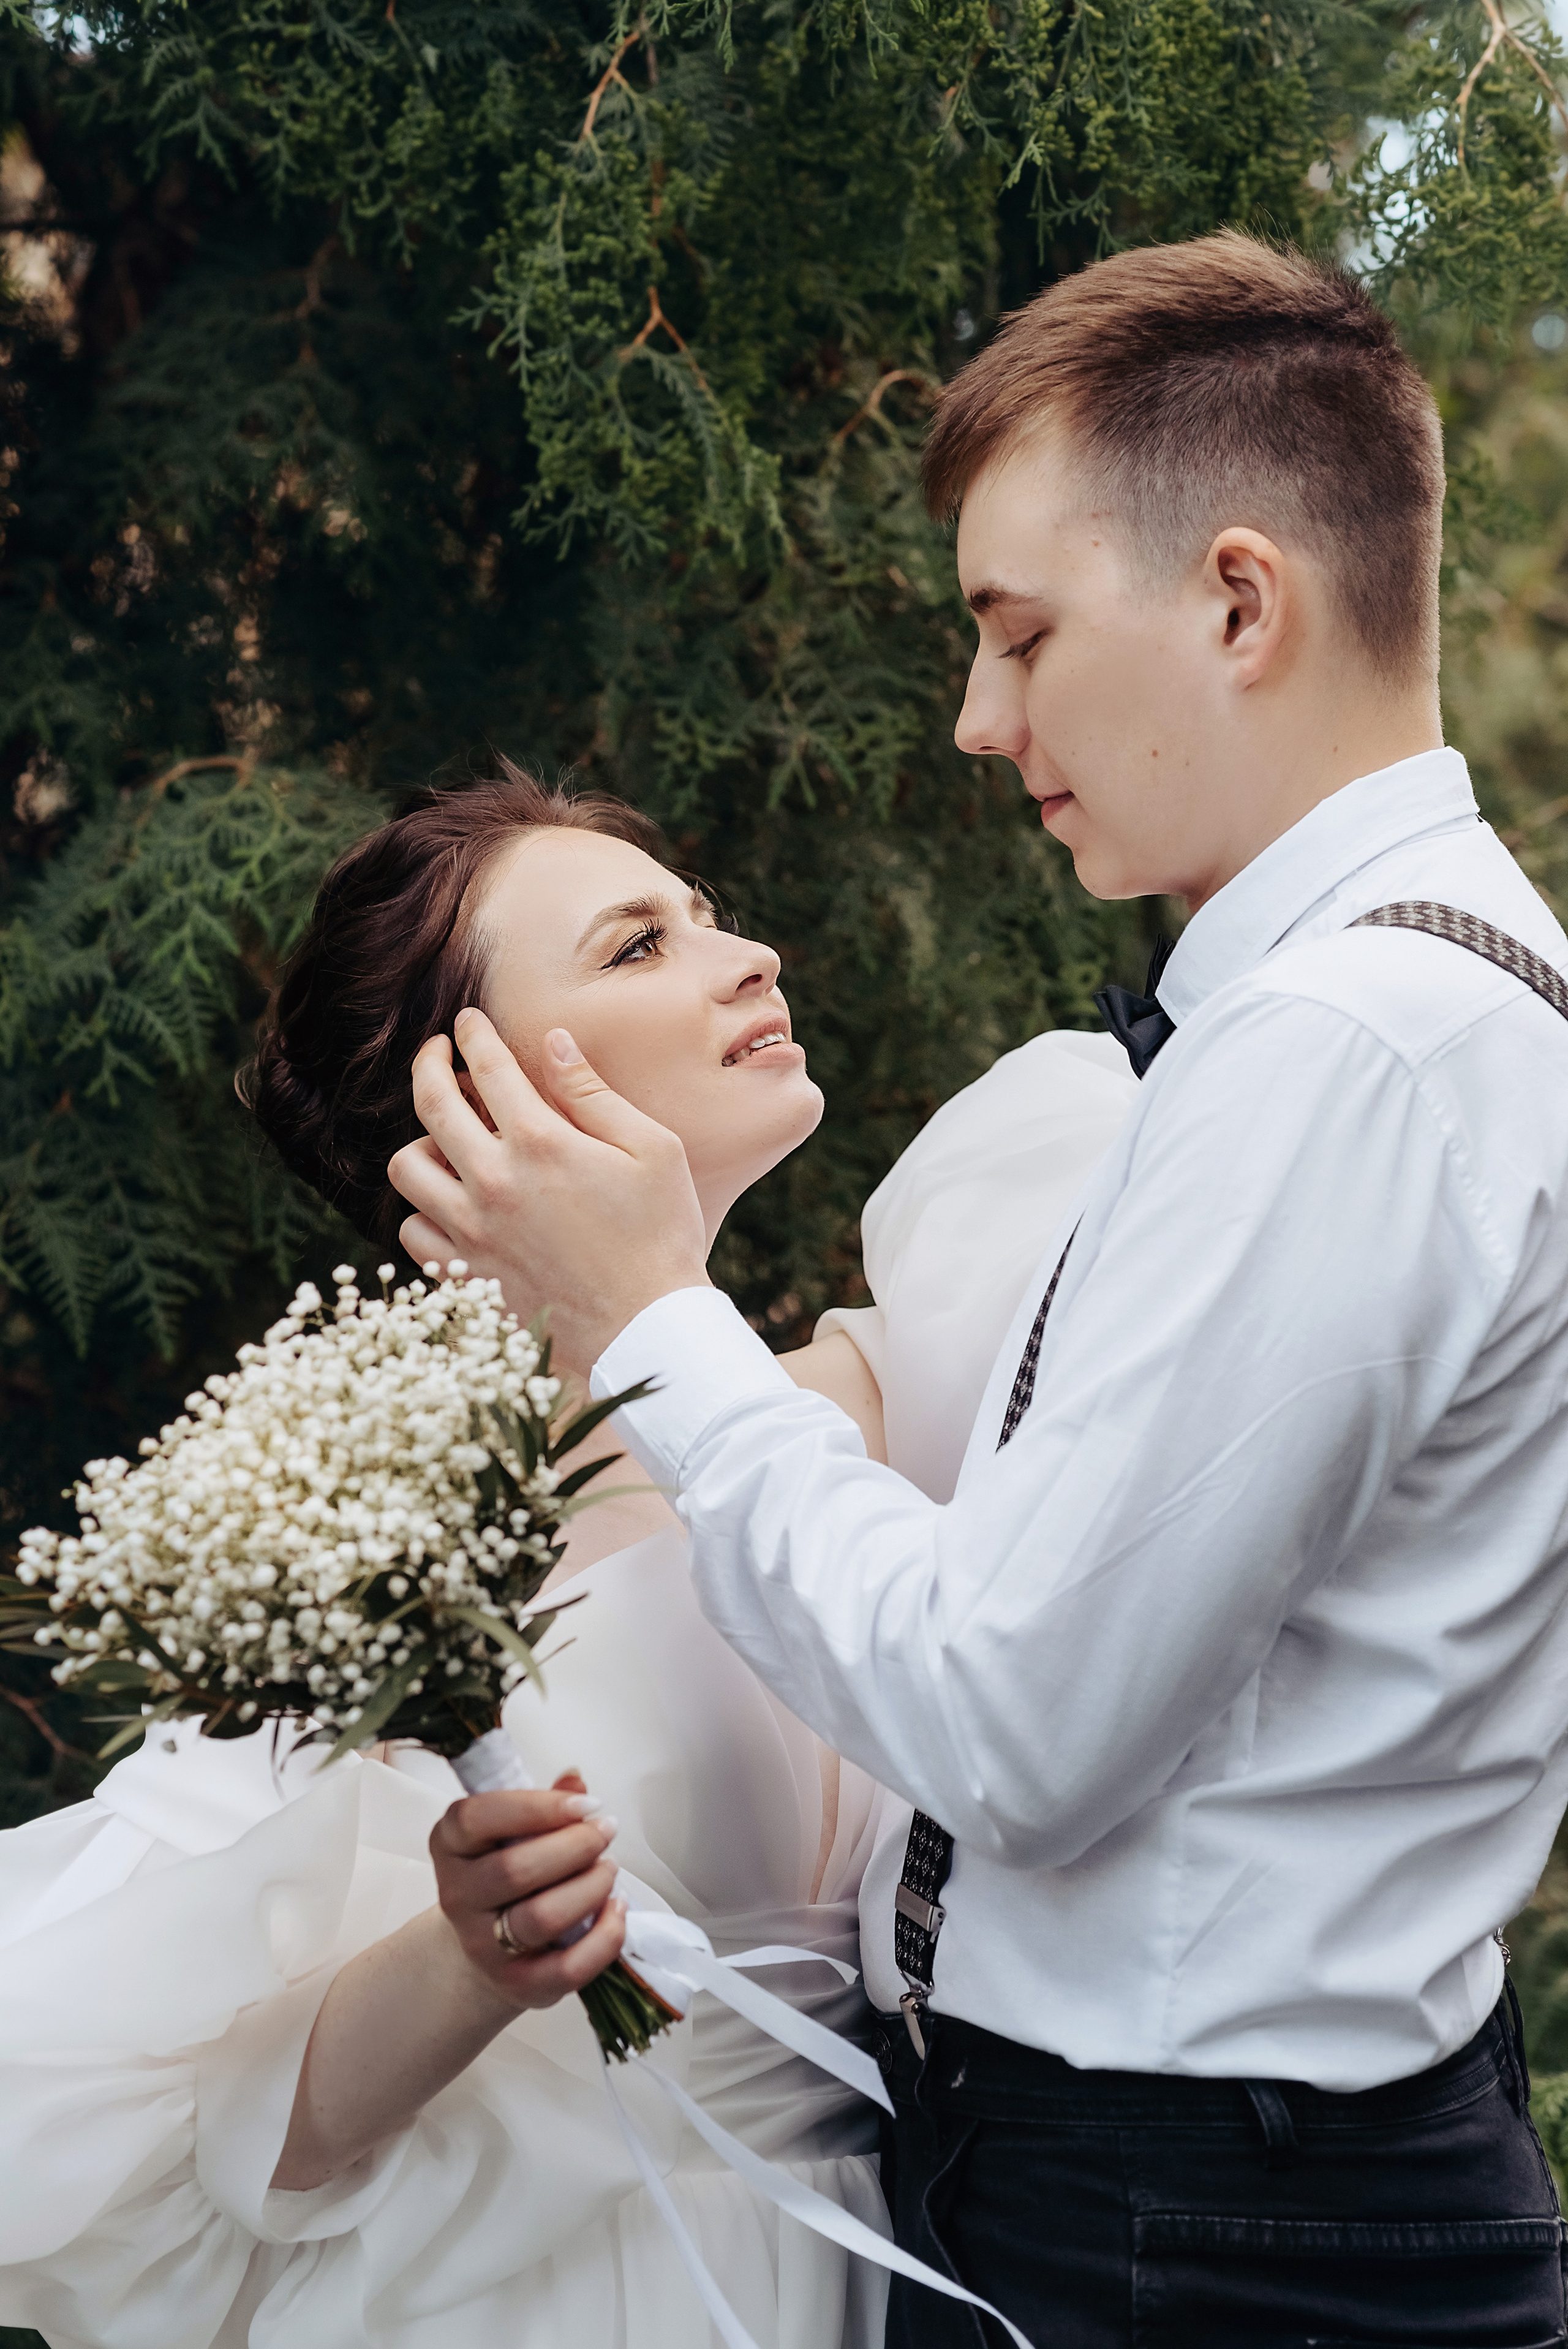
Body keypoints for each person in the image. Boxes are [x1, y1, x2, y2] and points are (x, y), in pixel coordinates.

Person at [389, 232, 1568, 2347]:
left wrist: (657, 1320)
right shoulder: (1385, 1012)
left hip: (1203, 2242)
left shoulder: (1350, 1052)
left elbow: (1017, 1718)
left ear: (1238, 600)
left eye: (1017, 636)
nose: (975, 715)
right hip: (1186, 2194)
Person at [0, 765, 1136, 2349]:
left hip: (909, 2264)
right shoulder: (394, 1552)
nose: (749, 960)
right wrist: (470, 1959)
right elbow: (250, 2155)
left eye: (713, 921)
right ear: (469, 1098)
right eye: (637, 947)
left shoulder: (881, 1409)